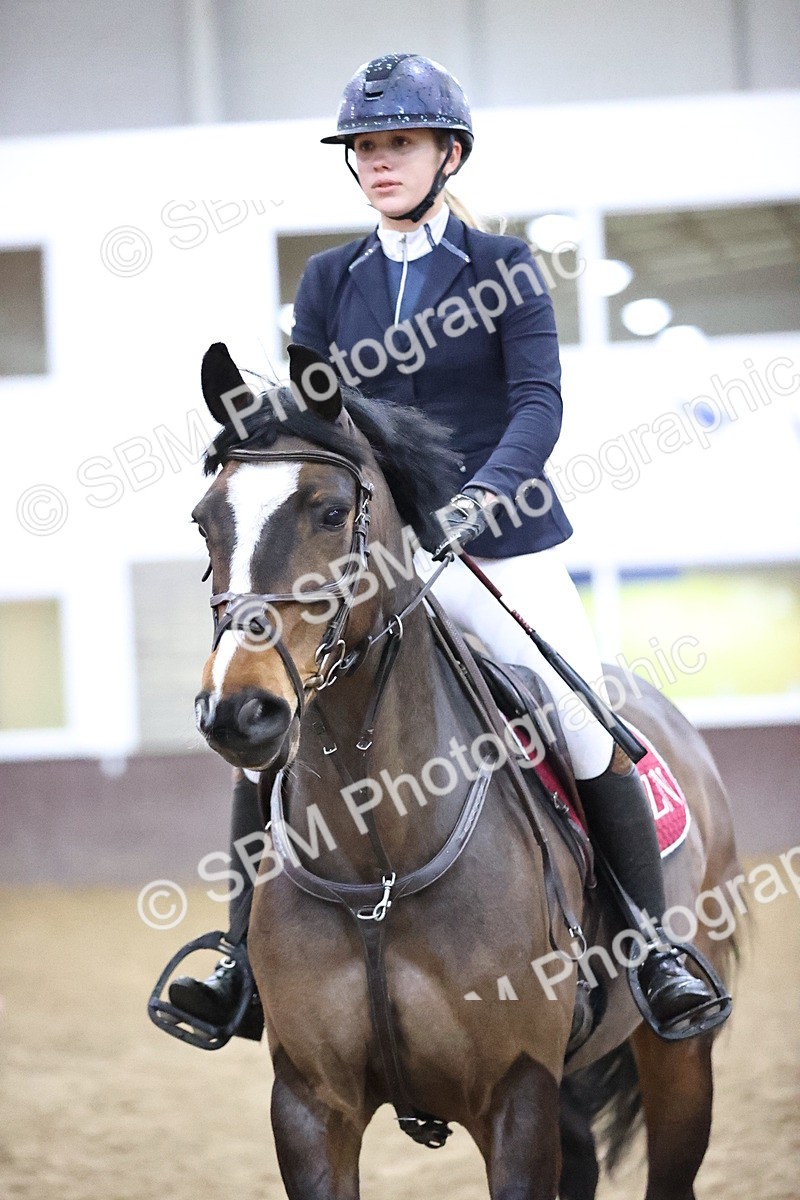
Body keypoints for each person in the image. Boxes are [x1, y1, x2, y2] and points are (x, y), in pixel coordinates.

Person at [169, 52, 714, 1036]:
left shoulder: (504, 269)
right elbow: (319, 417)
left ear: (446, 154)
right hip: (373, 558)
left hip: (499, 546)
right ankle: (235, 960)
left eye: (399, 145)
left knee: (580, 721)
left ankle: (650, 948)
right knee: (271, 745)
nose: (379, 163)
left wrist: (475, 500)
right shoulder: (330, 279)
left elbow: (537, 405)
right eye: (365, 149)